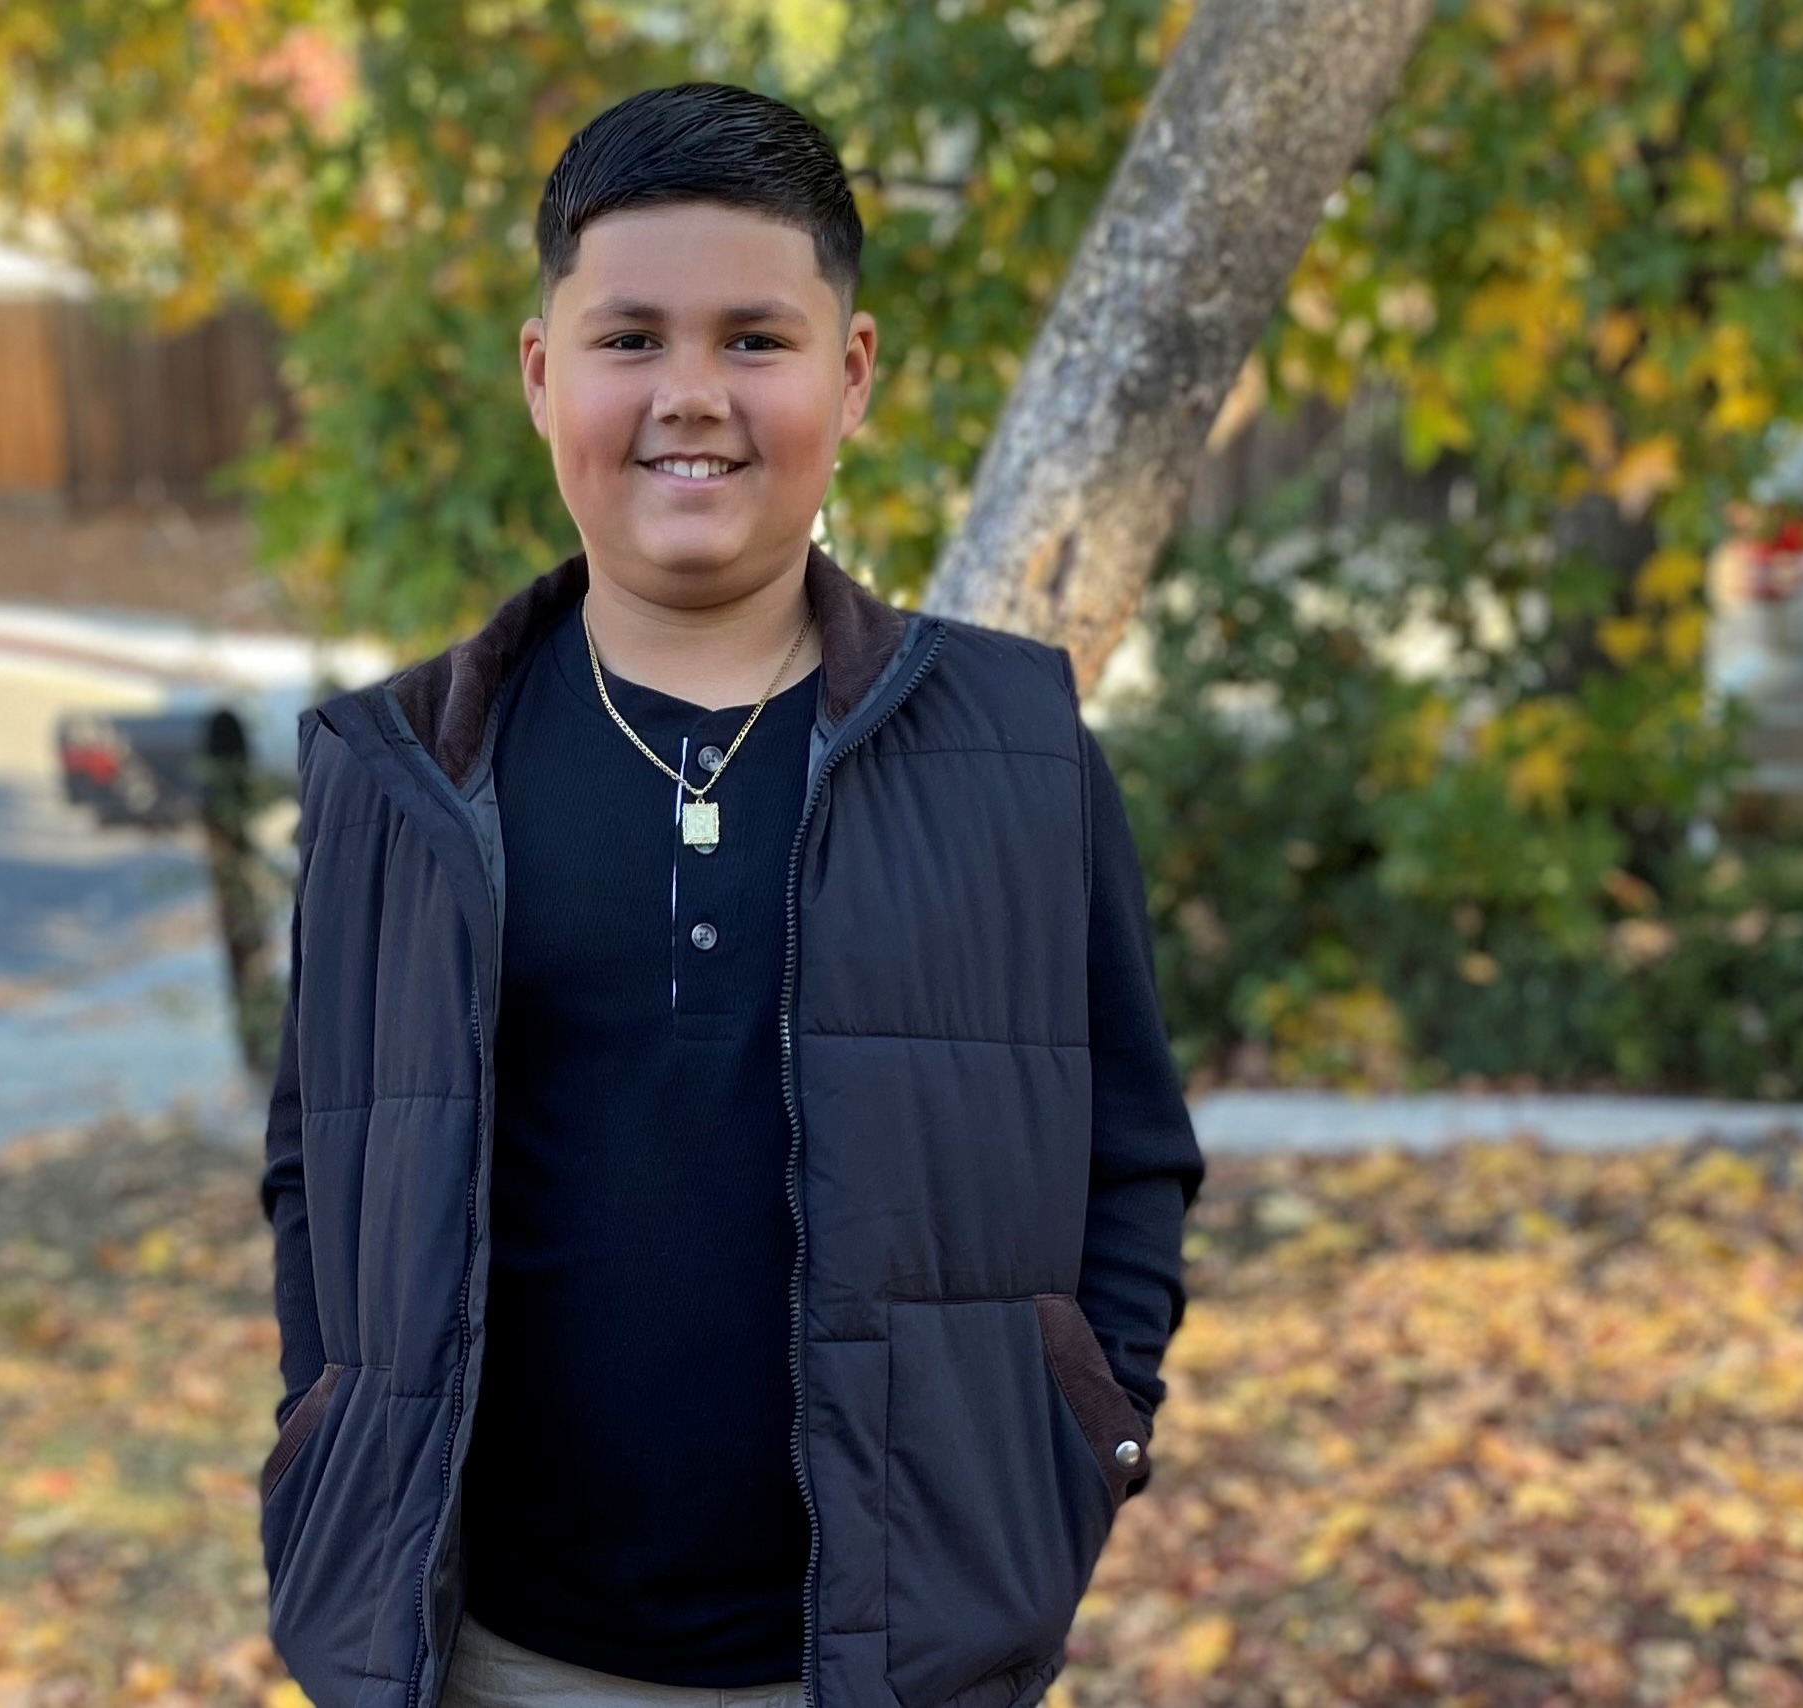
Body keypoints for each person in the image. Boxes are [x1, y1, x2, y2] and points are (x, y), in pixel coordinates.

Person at [254, 80, 1205, 1708]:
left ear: (852, 370)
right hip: (490, 1657)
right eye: (630, 339)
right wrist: (326, 1430)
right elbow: (317, 1168)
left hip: (890, 1658)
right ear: (542, 373)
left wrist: (1077, 1444)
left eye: (754, 340)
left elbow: (1131, 1152)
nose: (690, 394)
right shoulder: (395, 770)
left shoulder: (1015, 746)